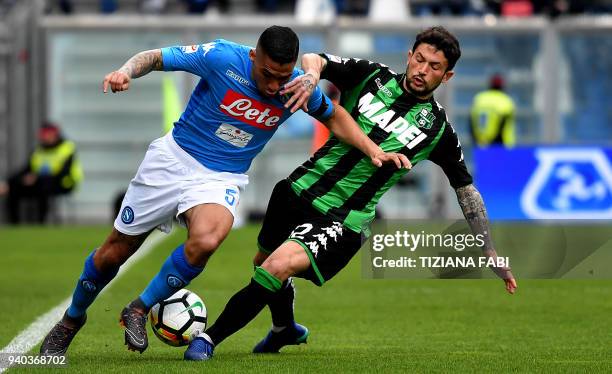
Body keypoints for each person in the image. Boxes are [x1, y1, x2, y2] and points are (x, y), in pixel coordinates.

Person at [39, 25, 407, 357]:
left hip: (221, 178)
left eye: (282, 76)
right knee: (112, 254)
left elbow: (336, 117)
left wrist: (373, 149)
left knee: (208, 239)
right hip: (173, 160)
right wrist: (125, 71)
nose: (274, 86)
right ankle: (71, 320)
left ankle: (138, 308)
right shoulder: (221, 57)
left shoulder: (297, 87)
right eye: (266, 74)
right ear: (253, 57)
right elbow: (155, 57)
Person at [183, 26, 518, 361]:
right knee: (262, 263)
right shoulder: (370, 76)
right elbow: (315, 59)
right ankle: (285, 329)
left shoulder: (438, 130)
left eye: (434, 67)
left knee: (275, 267)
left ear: (447, 76)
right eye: (419, 59)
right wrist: (312, 77)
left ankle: (208, 340)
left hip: (343, 219)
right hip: (297, 189)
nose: (422, 70)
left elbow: (466, 190)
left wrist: (488, 247)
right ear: (409, 55)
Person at [0, 122, 83, 224]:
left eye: (48, 134)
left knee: (43, 188)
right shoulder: (39, 150)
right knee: (14, 189)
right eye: (43, 135)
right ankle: (15, 225)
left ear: (55, 135)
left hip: (65, 183)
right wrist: (8, 182)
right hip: (40, 182)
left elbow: (63, 173)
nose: (45, 137)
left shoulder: (67, 148)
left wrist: (37, 178)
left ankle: (40, 223)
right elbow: (26, 169)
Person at [469, 73, 516, 147]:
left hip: (480, 144)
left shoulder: (479, 99)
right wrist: (493, 142)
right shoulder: (505, 100)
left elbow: (471, 121)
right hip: (501, 145)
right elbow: (503, 123)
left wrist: (475, 140)